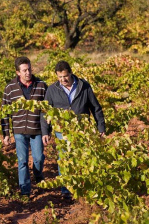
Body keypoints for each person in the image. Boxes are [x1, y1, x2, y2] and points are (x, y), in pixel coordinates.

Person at [41, 60, 106, 198]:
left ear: (70, 73)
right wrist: (45, 131)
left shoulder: (84, 86)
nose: (63, 79)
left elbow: (95, 108)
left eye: (65, 76)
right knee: (64, 157)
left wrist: (101, 128)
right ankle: (66, 190)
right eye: (60, 77)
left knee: (83, 157)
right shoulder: (52, 90)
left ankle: (83, 187)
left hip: (82, 129)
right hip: (62, 130)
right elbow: (46, 112)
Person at [1, 56, 47, 197]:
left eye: (29, 69)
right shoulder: (10, 88)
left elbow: (46, 110)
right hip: (19, 130)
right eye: (24, 70)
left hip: (37, 129)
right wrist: (6, 133)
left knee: (38, 158)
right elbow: (5, 112)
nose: (28, 72)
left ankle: (38, 177)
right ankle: (25, 190)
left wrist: (46, 131)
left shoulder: (41, 85)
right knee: (22, 161)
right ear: (17, 72)